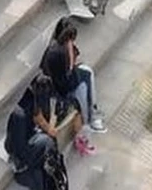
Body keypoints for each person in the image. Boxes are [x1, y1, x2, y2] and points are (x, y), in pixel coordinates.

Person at [40, 19, 104, 156]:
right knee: (83, 88)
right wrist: (71, 60)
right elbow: (68, 81)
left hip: (62, 84)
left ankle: (93, 114)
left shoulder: (54, 48)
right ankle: (89, 123)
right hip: (60, 93)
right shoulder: (60, 53)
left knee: (87, 72)